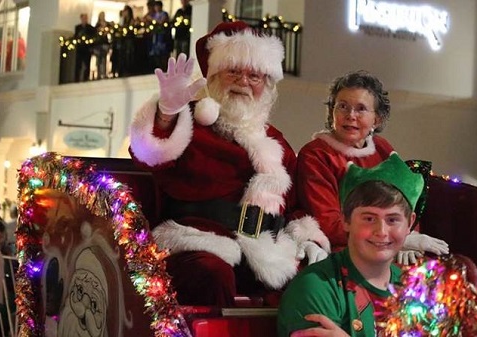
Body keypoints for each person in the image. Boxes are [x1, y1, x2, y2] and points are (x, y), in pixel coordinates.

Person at [128, 21, 329, 307]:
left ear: (267, 86)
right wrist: (165, 113)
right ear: (213, 77)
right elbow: (148, 154)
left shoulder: (277, 142)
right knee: (213, 274)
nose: (243, 81)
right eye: (233, 71)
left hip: (264, 252)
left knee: (315, 285)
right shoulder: (188, 124)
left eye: (254, 76)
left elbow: (295, 205)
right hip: (196, 243)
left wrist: (307, 240)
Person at [295, 70, 448, 265]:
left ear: (377, 119)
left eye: (360, 109)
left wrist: (409, 236)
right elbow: (328, 224)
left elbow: (406, 200)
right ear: (332, 111)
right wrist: (398, 239)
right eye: (342, 106)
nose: (350, 115)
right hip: (345, 249)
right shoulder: (316, 154)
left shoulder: (382, 148)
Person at [277, 152, 423, 336]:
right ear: (346, 220)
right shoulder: (315, 287)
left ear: (410, 223)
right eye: (369, 218)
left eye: (393, 220)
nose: (381, 231)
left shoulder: (416, 291)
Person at [73, 13, 97, 82]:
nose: (85, 20)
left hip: (87, 49)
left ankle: (85, 78)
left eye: (86, 18)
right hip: (80, 48)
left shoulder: (91, 28)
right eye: (83, 18)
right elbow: (76, 36)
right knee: (78, 65)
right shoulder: (78, 27)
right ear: (81, 19)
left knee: (87, 64)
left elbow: (93, 37)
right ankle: (76, 79)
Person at [94, 11, 113, 79]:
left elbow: (111, 28)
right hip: (98, 44)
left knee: (104, 58)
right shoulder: (97, 25)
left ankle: (104, 73)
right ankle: (99, 73)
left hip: (104, 43)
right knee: (99, 59)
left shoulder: (107, 24)